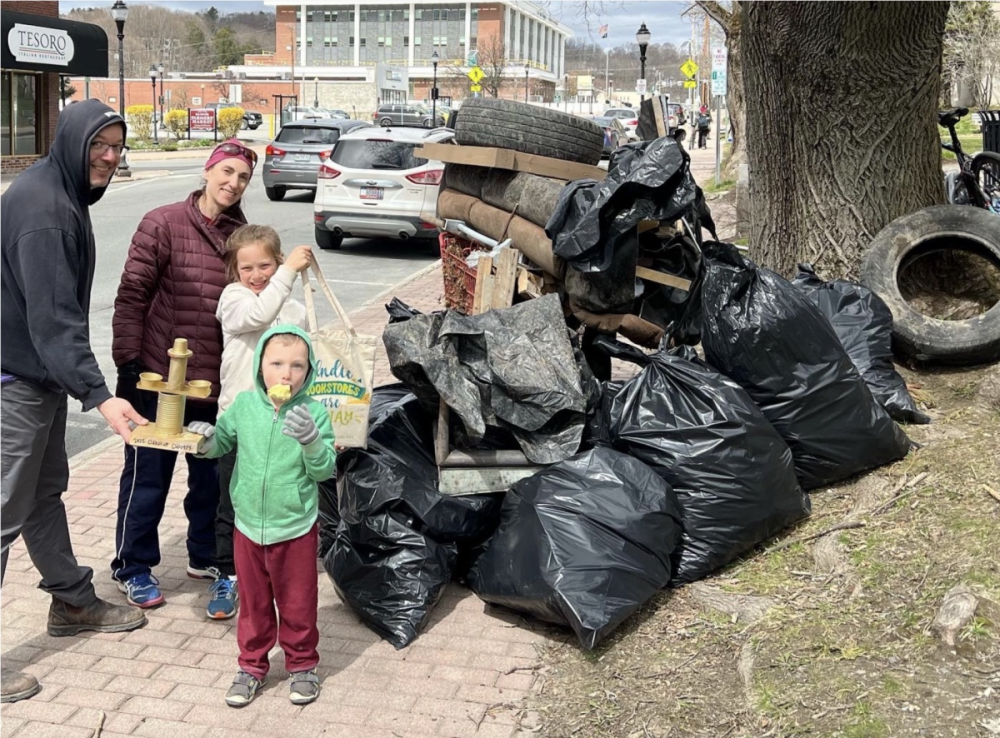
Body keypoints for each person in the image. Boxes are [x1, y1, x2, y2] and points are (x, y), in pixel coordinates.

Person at [1, 99, 148, 704]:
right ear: (71, 141)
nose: (109, 158)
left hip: (38, 378)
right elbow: (55, 321)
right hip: (15, 384)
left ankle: (73, 602)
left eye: (116, 147)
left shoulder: (52, 189)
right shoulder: (48, 212)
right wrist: (100, 395)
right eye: (99, 146)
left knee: (42, 494)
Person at [110, 139, 257, 609]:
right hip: (158, 378)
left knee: (211, 480)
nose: (233, 184)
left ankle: (205, 556)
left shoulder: (244, 237)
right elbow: (132, 294)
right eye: (227, 172)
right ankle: (132, 566)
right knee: (147, 476)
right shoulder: (163, 222)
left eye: (243, 177)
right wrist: (128, 364)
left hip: (215, 384)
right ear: (208, 170)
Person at [189, 325, 336, 707]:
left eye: (297, 366)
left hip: (296, 528)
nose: (286, 374)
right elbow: (220, 443)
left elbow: (324, 471)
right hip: (248, 527)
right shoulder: (244, 405)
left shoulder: (314, 413)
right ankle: (251, 666)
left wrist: (312, 442)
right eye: (277, 363)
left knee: (298, 602)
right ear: (259, 366)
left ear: (309, 371)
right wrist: (203, 440)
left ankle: (302, 664)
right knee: (254, 605)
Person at [208, 225, 312, 619]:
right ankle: (227, 573)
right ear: (234, 271)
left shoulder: (293, 307)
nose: (256, 275)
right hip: (241, 422)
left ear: (278, 260)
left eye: (265, 265)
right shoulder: (233, 298)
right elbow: (258, 313)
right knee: (230, 501)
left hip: (284, 424)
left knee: (280, 496)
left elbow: (305, 359)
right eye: (246, 267)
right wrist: (285, 277)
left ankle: (278, 572)